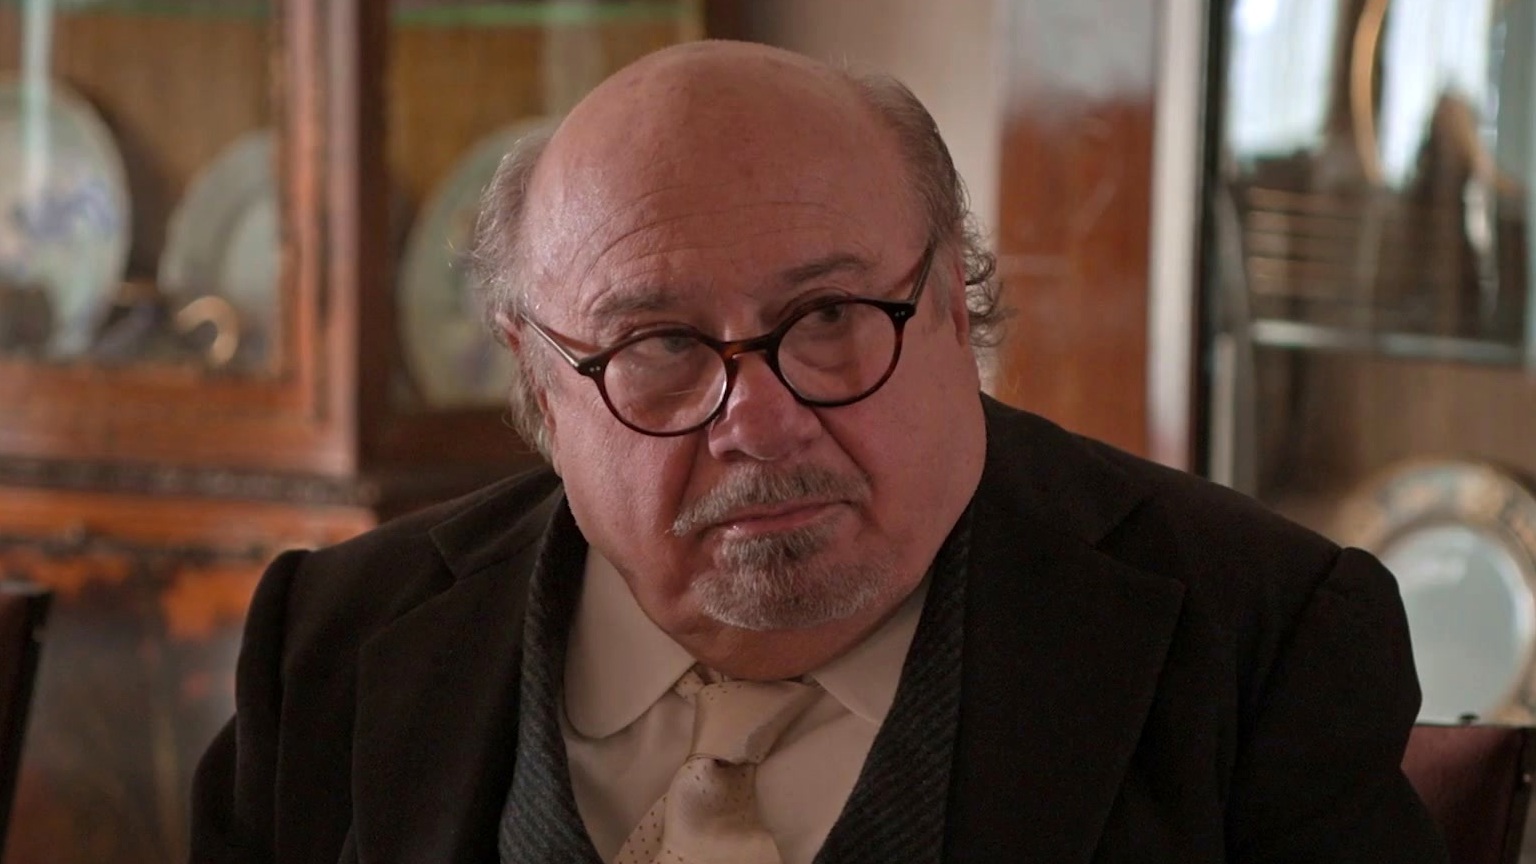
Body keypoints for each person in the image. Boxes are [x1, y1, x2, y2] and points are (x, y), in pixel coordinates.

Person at [189, 40, 1447, 864]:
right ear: (537, 380)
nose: (760, 419)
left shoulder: (1261, 640)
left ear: (953, 303)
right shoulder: (334, 645)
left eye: (832, 318)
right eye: (660, 343)